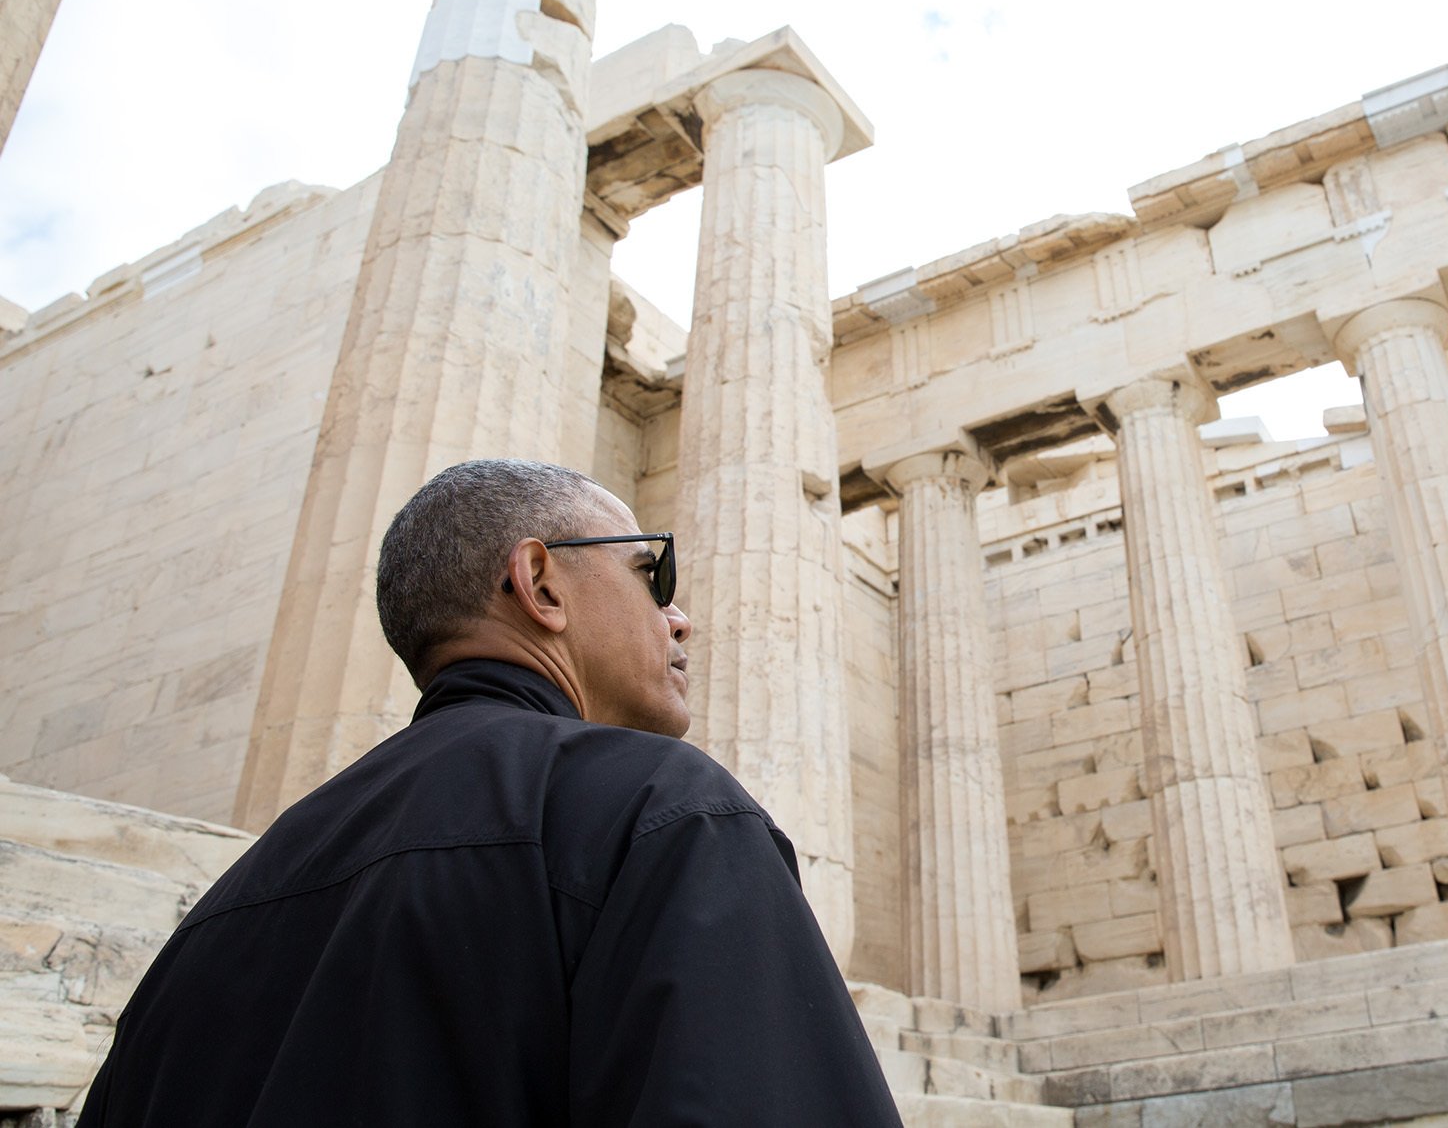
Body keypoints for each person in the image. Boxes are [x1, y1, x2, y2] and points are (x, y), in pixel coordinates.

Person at [76, 458, 903, 1126]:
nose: (679, 615)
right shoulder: (662, 814)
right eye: (650, 572)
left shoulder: (228, 903)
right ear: (540, 583)